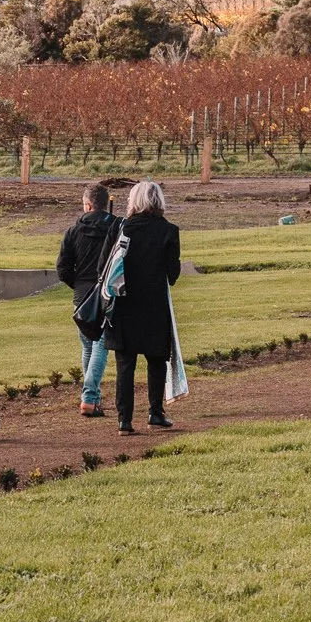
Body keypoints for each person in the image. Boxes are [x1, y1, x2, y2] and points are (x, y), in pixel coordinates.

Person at [106, 179, 181, 434]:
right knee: (157, 360)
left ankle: (124, 420)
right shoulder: (169, 231)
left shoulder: (121, 229)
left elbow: (105, 266)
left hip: (124, 304)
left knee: (125, 364)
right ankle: (155, 412)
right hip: (154, 306)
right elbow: (173, 275)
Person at [56, 182, 119, 418]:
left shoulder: (73, 232)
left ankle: (91, 396)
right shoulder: (116, 228)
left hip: (82, 297)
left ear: (88, 205)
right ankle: (90, 397)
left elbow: (63, 269)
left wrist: (79, 286)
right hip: (107, 295)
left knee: (88, 346)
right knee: (100, 346)